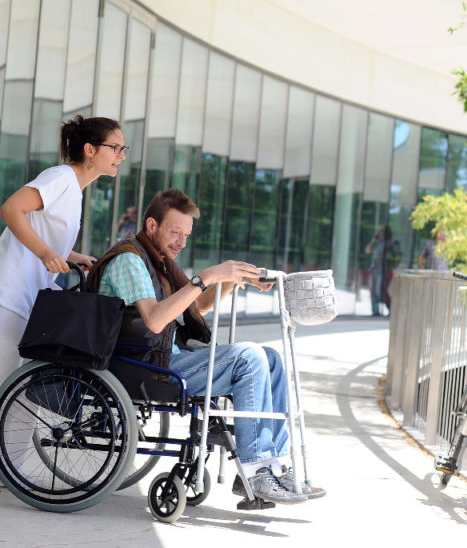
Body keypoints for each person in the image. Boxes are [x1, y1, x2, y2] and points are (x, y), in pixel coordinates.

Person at [0, 115, 125, 495]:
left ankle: (2, 469)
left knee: (24, 382)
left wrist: (70, 255)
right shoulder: (61, 178)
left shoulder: (74, 189)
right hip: (8, 292)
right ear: (90, 150)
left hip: (23, 297)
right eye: (116, 148)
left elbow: (42, 227)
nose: (121, 156)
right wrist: (48, 253)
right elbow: (12, 209)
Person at [88, 188, 326, 504]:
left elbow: (193, 307)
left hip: (163, 355)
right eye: (175, 232)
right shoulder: (130, 260)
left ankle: (273, 466)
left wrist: (229, 280)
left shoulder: (156, 260)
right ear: (152, 226)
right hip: (146, 365)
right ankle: (255, 472)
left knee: (270, 358)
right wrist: (206, 276)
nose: (181, 242)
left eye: (186, 234)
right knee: (249, 356)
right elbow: (156, 320)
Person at [365, 225, 398, 317]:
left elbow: (394, 255)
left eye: (382, 231)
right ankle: (375, 311)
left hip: (385, 270)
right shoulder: (377, 242)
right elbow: (368, 250)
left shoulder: (390, 243)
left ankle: (391, 309)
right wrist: (374, 239)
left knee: (382, 291)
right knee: (373, 290)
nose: (380, 233)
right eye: (379, 231)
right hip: (375, 268)